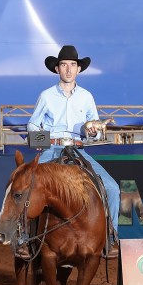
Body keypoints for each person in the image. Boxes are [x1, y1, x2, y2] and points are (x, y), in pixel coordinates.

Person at [27, 45, 120, 252]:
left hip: (79, 150)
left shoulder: (86, 96)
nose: (68, 69)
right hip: (52, 149)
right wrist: (45, 140)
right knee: (27, 187)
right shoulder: (46, 96)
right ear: (57, 69)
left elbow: (95, 132)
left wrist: (93, 131)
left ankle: (111, 238)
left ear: (78, 69)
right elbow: (32, 126)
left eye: (72, 65)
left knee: (112, 189)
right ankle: (23, 240)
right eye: (64, 65)